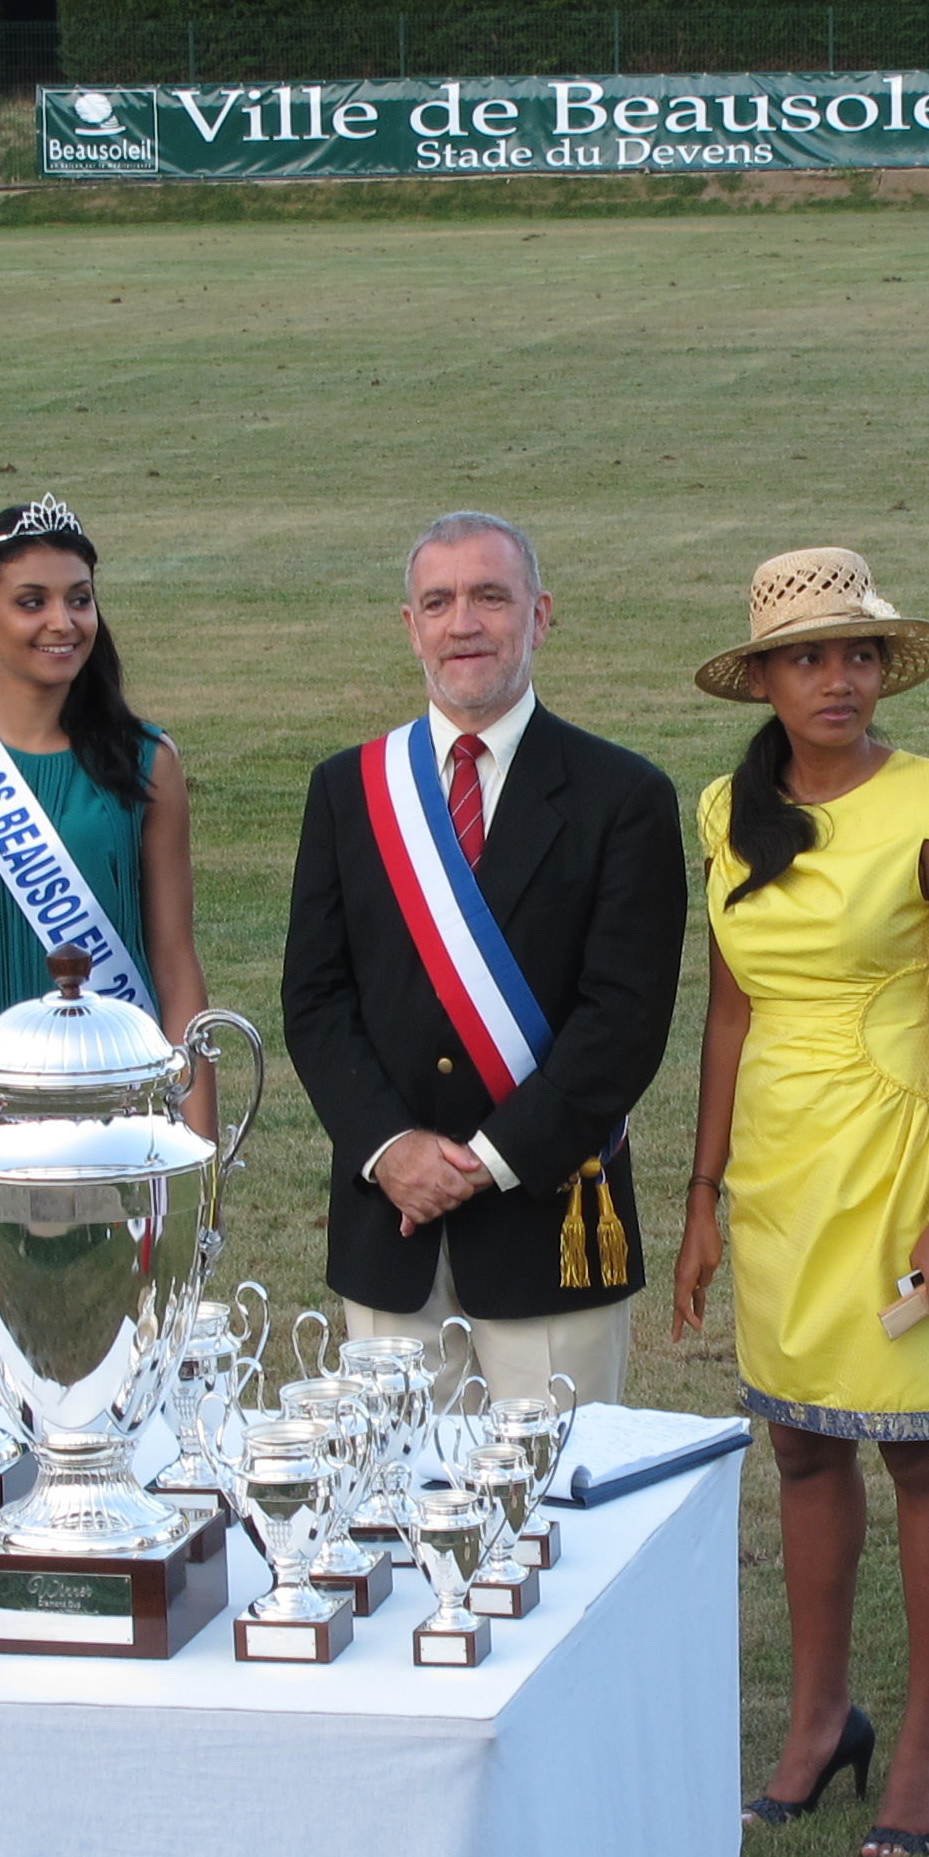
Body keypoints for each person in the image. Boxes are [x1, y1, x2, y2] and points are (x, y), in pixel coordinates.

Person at [671, 550, 929, 1857]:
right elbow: (732, 1007)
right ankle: (819, 1721)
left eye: (858, 654)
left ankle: (922, 1740)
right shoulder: (721, 809)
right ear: (763, 677)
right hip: (779, 1168)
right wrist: (701, 1195)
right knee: (800, 1444)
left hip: (898, 1152)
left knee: (917, 1446)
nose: (840, 679)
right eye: (809, 657)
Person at [282, 512, 687, 1403]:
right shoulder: (348, 790)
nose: (464, 623)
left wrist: (482, 1163)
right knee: (386, 1513)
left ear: (540, 616)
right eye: (440, 601)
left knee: (556, 1525)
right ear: (411, 626)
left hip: (546, 1220)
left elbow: (622, 1024)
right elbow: (315, 1000)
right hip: (389, 1227)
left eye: (490, 597)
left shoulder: (624, 796)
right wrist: (391, 1149)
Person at [0, 495, 211, 1154]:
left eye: (79, 599)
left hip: (113, 1119)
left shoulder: (146, 764)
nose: (63, 621)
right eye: (32, 602)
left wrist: (199, 1154)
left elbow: (174, 966)